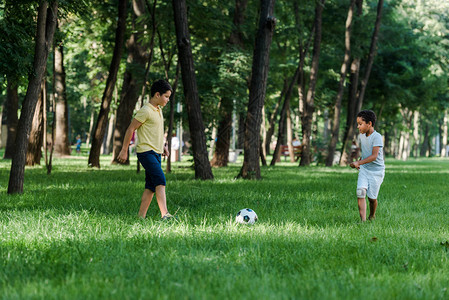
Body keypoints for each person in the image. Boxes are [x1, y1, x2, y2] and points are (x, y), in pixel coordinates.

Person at [117, 80, 174, 220]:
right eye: (166, 96)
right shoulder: (146, 110)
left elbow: (157, 132)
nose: (168, 100)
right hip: (145, 152)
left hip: (156, 152)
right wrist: (124, 150)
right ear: (157, 94)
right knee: (160, 180)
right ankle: (165, 214)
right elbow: (131, 128)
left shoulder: (158, 110)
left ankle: (140, 217)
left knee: (150, 186)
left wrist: (163, 147)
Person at [350, 110, 385, 222]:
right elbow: (366, 152)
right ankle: (363, 221)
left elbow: (374, 156)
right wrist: (360, 161)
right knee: (360, 192)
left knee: (372, 198)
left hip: (376, 171)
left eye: (360, 124)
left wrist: (358, 163)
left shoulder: (377, 137)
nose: (358, 126)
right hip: (365, 169)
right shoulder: (362, 136)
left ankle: (372, 215)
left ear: (369, 124)